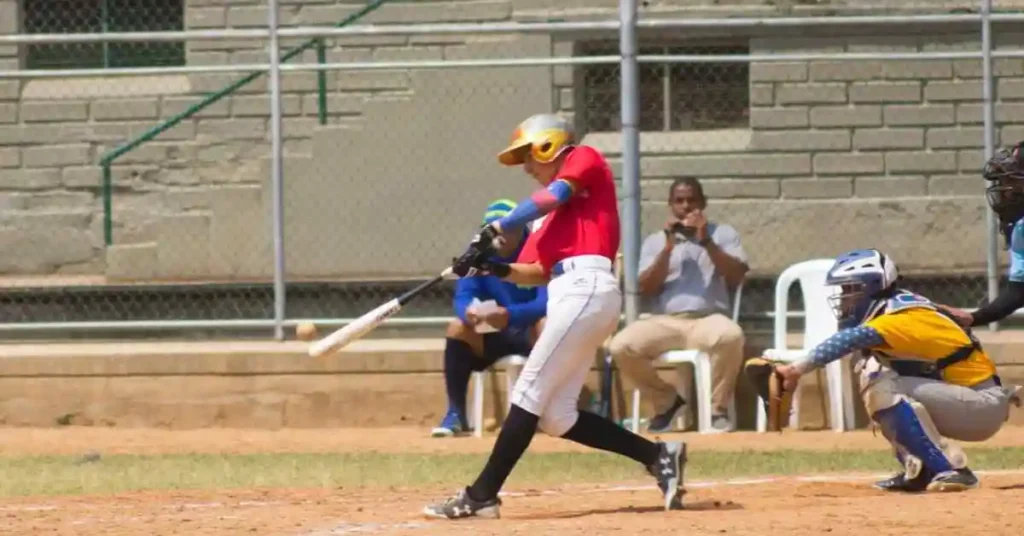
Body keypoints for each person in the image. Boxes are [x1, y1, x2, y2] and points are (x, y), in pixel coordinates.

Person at [423, 113, 687, 520]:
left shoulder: (583, 159)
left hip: (587, 287)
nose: (528, 167)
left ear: (549, 144)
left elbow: (557, 192)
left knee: (527, 393)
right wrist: (487, 265)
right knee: (557, 416)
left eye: (530, 156)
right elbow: (535, 273)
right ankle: (657, 455)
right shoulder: (544, 221)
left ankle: (481, 496)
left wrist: (501, 224)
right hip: (570, 295)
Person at [774, 248, 1020, 492]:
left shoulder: (900, 316)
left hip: (981, 405)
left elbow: (848, 340)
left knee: (879, 382)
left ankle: (952, 470)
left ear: (872, 288)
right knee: (874, 371)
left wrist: (796, 369)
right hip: (967, 400)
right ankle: (920, 469)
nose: (844, 298)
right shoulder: (896, 306)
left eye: (850, 290)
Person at [608, 177, 748, 433]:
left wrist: (706, 240)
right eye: (679, 201)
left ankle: (717, 409)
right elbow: (645, 288)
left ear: (703, 203)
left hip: (709, 318)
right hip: (666, 321)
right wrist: (668, 249)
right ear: (671, 205)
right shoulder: (656, 241)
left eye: (692, 200)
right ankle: (668, 402)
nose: (686, 206)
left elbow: (737, 276)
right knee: (621, 346)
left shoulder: (724, 234)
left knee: (731, 336)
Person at [431, 199, 548, 438]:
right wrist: (469, 313)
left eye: (506, 229)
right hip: (495, 333)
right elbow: (463, 296)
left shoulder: (540, 249)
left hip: (529, 332)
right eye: (492, 230)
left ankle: (544, 413)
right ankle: (455, 414)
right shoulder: (479, 254)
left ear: (519, 227)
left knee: (547, 324)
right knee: (457, 328)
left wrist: (510, 315)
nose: (498, 238)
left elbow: (546, 302)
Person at [941, 141, 1024, 328]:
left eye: (1012, 181)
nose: (1005, 191)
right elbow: (1019, 291)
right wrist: (975, 318)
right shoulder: (1021, 230)